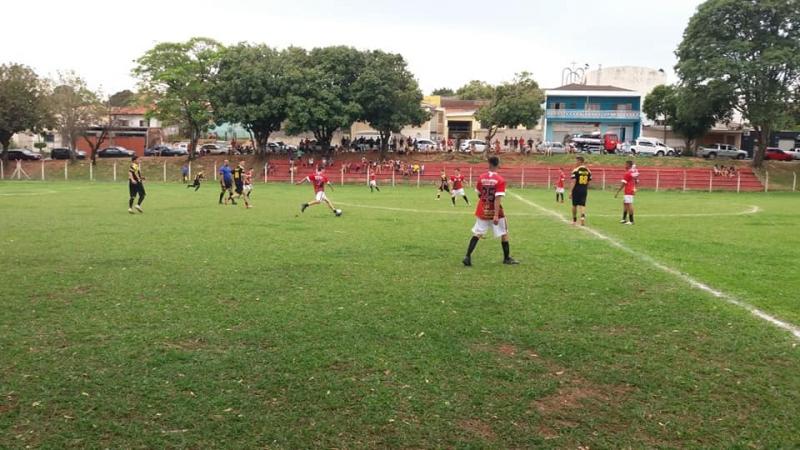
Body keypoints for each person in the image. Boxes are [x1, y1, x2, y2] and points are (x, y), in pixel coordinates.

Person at [463, 156, 518, 266]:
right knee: (504, 232)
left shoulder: (481, 177)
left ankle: (467, 256)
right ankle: (506, 258)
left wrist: (485, 203)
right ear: (498, 164)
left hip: (483, 209)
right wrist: (496, 215)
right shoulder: (500, 180)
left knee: (478, 233)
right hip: (494, 210)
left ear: (489, 164)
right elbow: (497, 198)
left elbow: (479, 193)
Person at [570, 156, 592, 226]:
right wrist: (585, 188)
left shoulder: (575, 170)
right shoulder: (588, 171)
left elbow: (574, 181)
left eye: (576, 161)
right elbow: (589, 181)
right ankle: (582, 217)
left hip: (576, 189)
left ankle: (574, 220)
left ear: (580, 161)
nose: (575, 162)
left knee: (574, 205)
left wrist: (571, 191)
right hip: (584, 189)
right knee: (582, 204)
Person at [614, 160, 636, 225]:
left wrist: (617, 192)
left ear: (629, 165)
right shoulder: (631, 172)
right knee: (625, 203)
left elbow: (623, 184)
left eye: (626, 164)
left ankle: (631, 221)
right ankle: (624, 219)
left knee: (629, 204)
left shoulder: (627, 173)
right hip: (630, 190)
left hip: (629, 190)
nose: (625, 166)